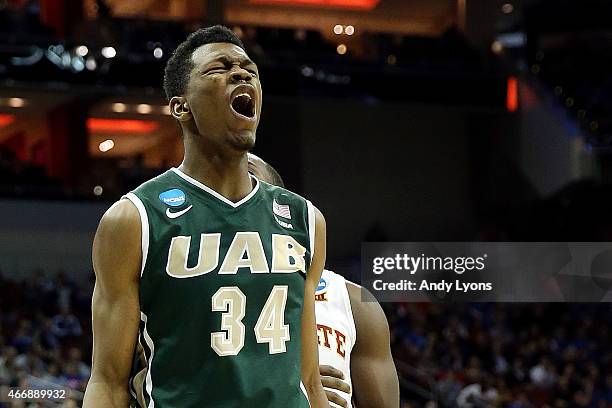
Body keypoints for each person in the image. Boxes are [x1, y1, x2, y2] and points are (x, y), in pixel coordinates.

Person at [83, 26, 329, 408]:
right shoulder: (135, 219)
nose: (242, 73)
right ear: (181, 106)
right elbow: (108, 382)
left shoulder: (305, 219)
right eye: (219, 68)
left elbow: (308, 380)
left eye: (249, 69)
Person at [248, 153, 400, 408]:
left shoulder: (352, 303)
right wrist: (289, 386)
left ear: (280, 203)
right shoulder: (189, 296)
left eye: (248, 176)